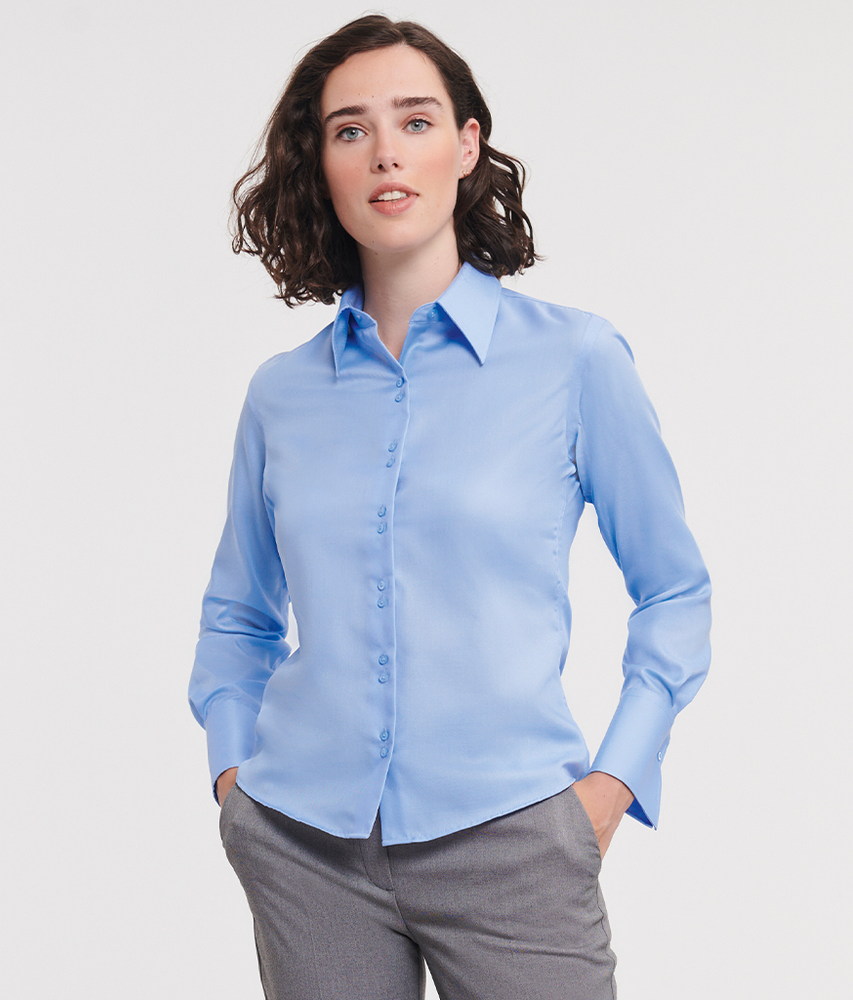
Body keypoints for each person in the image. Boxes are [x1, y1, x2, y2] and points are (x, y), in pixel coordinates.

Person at [189, 14, 711, 1000]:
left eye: (415, 120)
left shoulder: (574, 360)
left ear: (467, 145)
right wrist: (234, 782)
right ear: (322, 164)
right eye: (349, 129)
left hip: (515, 837)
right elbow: (238, 616)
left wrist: (611, 787)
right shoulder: (281, 394)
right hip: (304, 844)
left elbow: (674, 589)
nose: (385, 152)